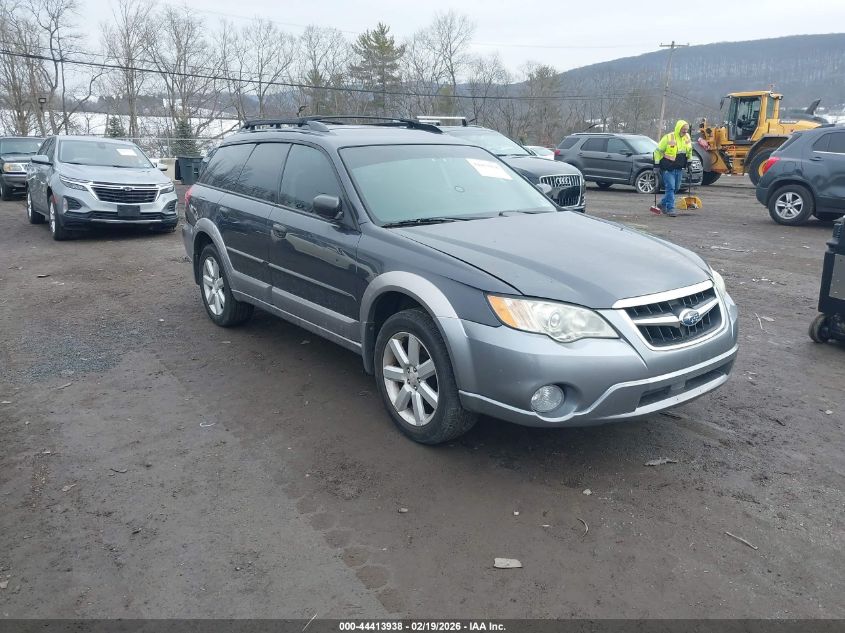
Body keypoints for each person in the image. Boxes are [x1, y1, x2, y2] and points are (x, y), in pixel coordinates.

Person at [650, 119, 693, 217]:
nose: (685, 131)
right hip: (668, 168)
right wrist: (656, 165)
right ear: (679, 128)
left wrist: (689, 163)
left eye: (686, 129)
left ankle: (662, 204)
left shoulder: (687, 137)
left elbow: (689, 150)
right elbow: (657, 151)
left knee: (676, 188)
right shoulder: (668, 137)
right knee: (670, 188)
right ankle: (671, 208)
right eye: (684, 129)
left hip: (679, 168)